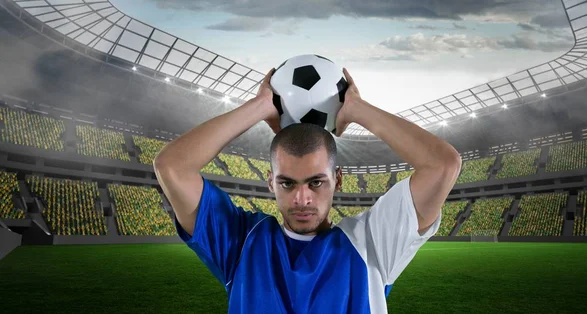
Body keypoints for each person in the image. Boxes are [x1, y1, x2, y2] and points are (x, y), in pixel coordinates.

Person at [153, 67, 462, 313]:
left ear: (338, 179)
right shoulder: (240, 242)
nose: (302, 199)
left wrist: (357, 109)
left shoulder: (373, 242)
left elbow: (443, 165)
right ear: (271, 182)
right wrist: (259, 107)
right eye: (287, 183)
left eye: (316, 182)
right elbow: (172, 167)